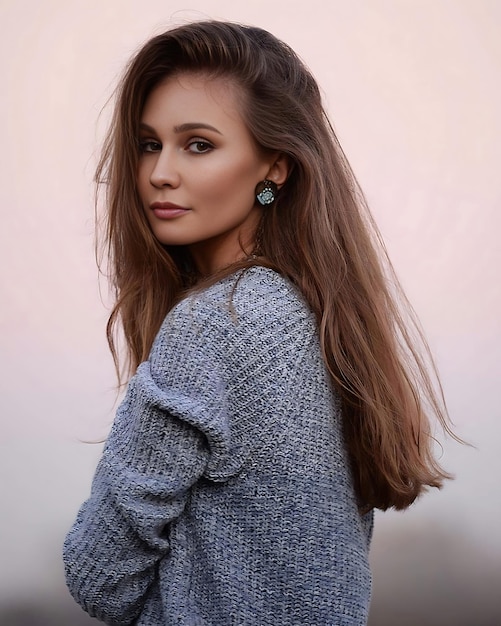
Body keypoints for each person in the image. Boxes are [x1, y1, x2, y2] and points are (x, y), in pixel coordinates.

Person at [63, 20, 455, 625]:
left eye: (198, 144)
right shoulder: (312, 315)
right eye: (148, 144)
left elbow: (98, 574)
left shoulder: (214, 325)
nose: (160, 172)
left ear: (275, 166)